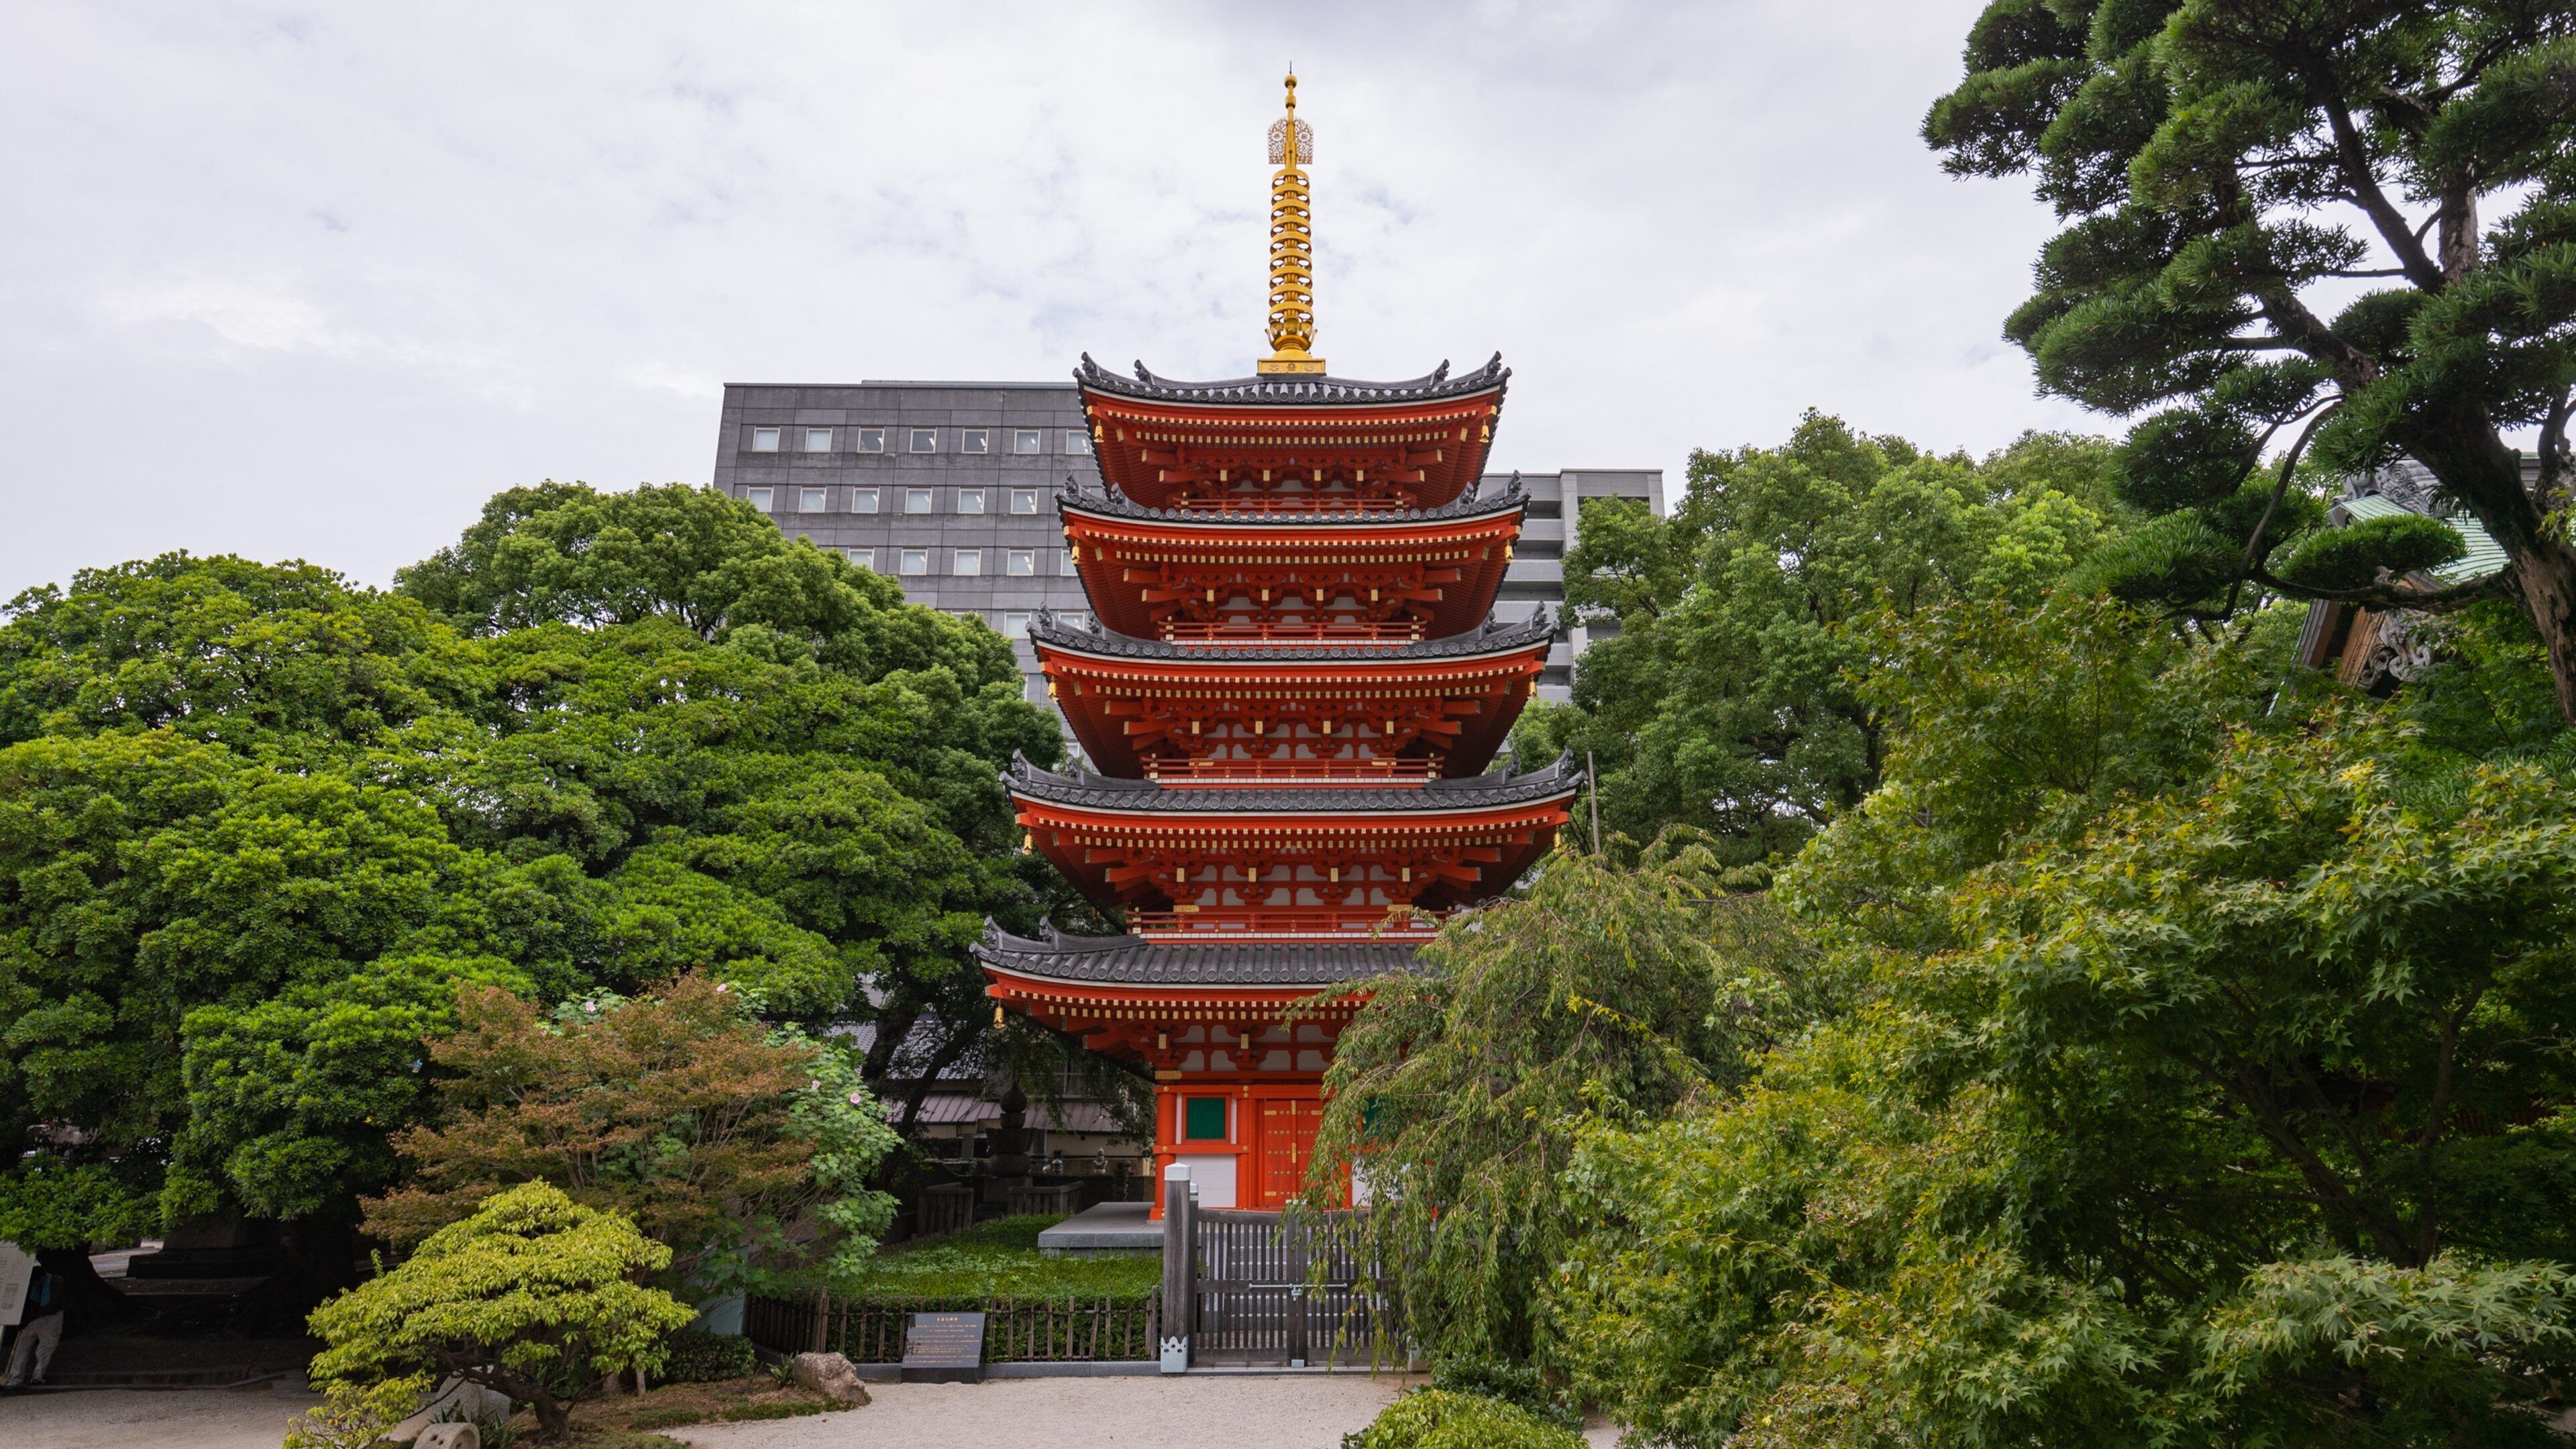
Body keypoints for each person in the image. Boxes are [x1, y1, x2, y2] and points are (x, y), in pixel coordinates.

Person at [3, 1266, 66, 1388]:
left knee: (46, 1348)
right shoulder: (33, 1285)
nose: (35, 1285)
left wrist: (29, 1319)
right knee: (21, 1347)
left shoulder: (56, 1282)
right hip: (34, 1317)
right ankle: (15, 1378)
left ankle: (38, 1377)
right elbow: (31, 1303)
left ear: (42, 1278)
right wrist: (23, 1319)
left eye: (36, 1282)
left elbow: (52, 1306)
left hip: (51, 1318)